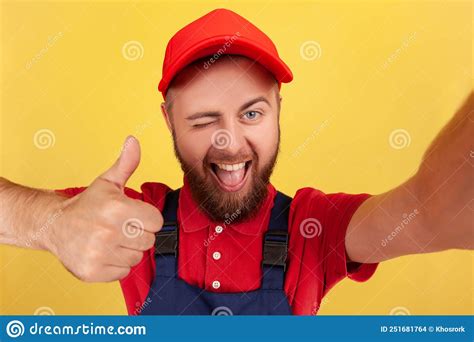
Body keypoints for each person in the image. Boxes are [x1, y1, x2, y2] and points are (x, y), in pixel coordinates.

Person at [0, 8, 472, 315]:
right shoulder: (130, 217)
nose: (230, 142)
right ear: (168, 120)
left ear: (278, 109)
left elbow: (434, 213)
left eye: (251, 113)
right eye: (204, 119)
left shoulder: (316, 229)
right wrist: (52, 221)